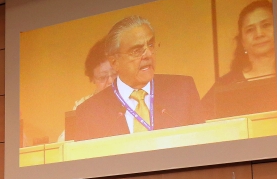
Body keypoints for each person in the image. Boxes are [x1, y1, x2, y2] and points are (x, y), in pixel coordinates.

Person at [74, 16, 205, 141]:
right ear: (114, 62)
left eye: (151, 45)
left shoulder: (183, 90)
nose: (148, 54)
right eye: (137, 51)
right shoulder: (89, 113)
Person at [202, 0, 277, 120]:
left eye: (266, 25)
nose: (259, 34)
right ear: (242, 42)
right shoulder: (225, 85)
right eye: (250, 29)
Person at [59, 39, 117, 141]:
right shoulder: (82, 106)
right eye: (103, 77)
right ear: (93, 79)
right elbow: (65, 142)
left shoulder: (137, 96)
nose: (110, 81)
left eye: (115, 74)